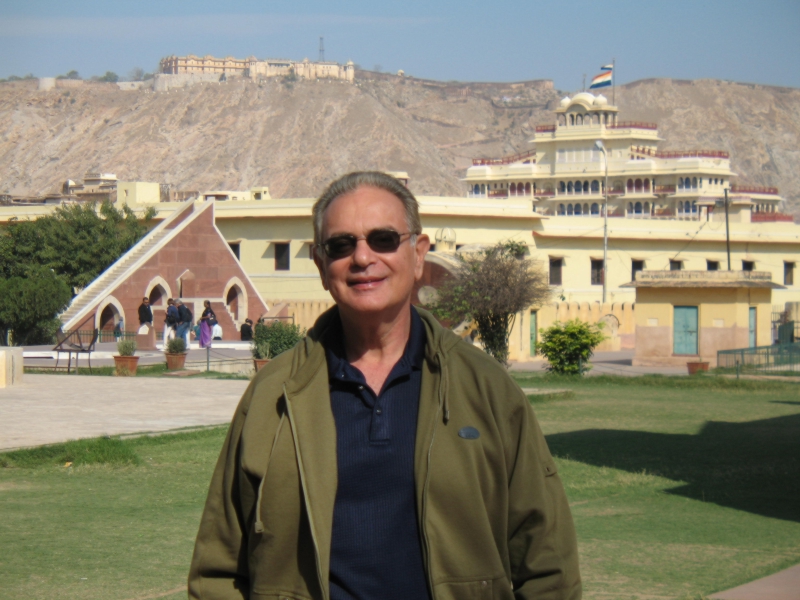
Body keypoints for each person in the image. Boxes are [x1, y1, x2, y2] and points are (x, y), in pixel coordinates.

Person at [188, 172, 581, 599]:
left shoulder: (485, 390)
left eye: (383, 239)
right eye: (341, 245)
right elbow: (218, 571)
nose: (362, 258)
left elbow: (546, 564)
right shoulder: (274, 397)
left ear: (417, 255)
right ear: (322, 267)